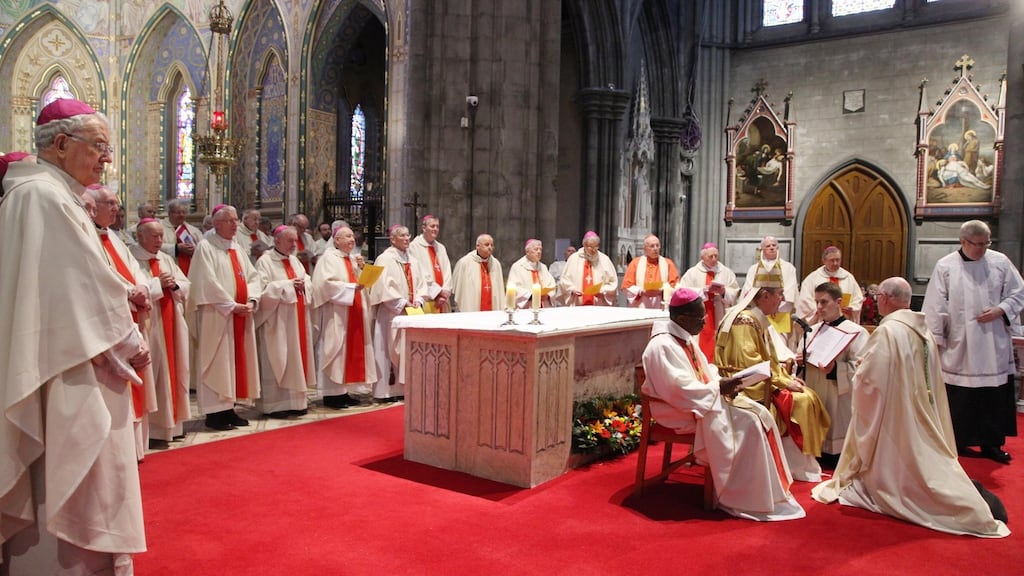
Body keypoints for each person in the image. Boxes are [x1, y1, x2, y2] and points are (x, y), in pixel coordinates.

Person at [0, 98, 148, 573]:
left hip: (72, 352)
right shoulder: (42, 195)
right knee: (70, 479)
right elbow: (77, 286)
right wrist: (128, 341)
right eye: (99, 146)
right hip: (63, 366)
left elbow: (78, 280)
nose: (107, 158)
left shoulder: (51, 193)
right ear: (61, 144)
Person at [812, 277, 1010, 538]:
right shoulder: (922, 330)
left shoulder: (888, 331)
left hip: (894, 417)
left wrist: (859, 371)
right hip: (918, 410)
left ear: (884, 298)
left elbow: (871, 384)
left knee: (902, 475)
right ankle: (966, 496)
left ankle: (963, 502)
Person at [641, 287, 804, 521]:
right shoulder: (661, 346)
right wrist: (719, 388)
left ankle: (765, 491)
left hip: (699, 401)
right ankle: (738, 494)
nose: (706, 320)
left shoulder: (684, 337)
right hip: (678, 410)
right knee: (749, 422)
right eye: (701, 317)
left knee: (759, 413)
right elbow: (678, 389)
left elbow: (703, 372)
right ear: (683, 318)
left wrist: (721, 381)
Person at [922, 220, 1024, 464]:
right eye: (977, 244)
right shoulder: (946, 266)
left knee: (993, 395)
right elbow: (935, 305)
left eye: (985, 243)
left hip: (992, 342)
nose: (982, 249)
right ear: (963, 241)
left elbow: (1018, 291)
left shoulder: (999, 262)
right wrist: (935, 340)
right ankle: (958, 441)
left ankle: (992, 444)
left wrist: (1001, 309)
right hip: (960, 343)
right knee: (960, 397)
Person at [715, 273, 831, 482]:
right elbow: (749, 363)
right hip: (746, 386)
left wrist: (786, 377)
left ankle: (796, 464)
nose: (782, 299)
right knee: (803, 401)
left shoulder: (755, 317)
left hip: (760, 378)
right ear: (765, 296)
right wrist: (784, 382)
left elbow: (769, 358)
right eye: (779, 294)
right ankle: (794, 466)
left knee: (806, 395)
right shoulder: (744, 321)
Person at [87, 184, 156, 461]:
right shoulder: (87, 236)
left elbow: (135, 271)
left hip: (133, 316)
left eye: (116, 204)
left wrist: (142, 289)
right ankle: (120, 448)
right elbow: (98, 277)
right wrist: (131, 292)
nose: (116, 209)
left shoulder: (115, 238)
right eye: (110, 204)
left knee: (136, 384)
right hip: (113, 321)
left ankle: (135, 448)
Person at [187, 204, 263, 431]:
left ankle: (229, 408)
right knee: (218, 362)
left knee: (234, 362)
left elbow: (252, 276)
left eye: (236, 220)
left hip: (239, 314)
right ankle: (214, 413)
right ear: (217, 222)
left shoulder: (236, 248)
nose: (235, 224)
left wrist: (251, 300)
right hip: (216, 315)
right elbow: (206, 283)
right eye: (230, 220)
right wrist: (231, 305)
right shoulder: (205, 247)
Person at [131, 218, 191, 448]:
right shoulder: (133, 258)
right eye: (154, 236)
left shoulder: (165, 258)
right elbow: (134, 288)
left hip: (171, 320)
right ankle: (155, 429)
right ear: (140, 237)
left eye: (161, 236)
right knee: (154, 373)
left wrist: (174, 284)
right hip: (149, 323)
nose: (160, 241)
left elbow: (186, 285)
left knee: (175, 370)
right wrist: (157, 284)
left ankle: (172, 427)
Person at [799, 282, 868, 464]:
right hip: (814, 390)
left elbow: (863, 368)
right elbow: (799, 364)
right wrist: (798, 362)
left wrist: (836, 369)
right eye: (817, 302)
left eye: (824, 302)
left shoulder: (856, 332)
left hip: (838, 396)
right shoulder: (811, 331)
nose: (819, 307)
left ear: (838, 302)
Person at [312, 225, 377, 409]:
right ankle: (332, 395)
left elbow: (361, 283)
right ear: (336, 240)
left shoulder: (352, 258)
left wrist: (363, 270)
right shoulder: (328, 258)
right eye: (347, 237)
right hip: (336, 313)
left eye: (352, 237)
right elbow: (324, 285)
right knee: (336, 350)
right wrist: (349, 288)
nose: (351, 240)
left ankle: (344, 392)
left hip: (354, 310)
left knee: (349, 351)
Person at [254, 225, 315, 418]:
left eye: (295, 240)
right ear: (277, 240)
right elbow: (262, 291)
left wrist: (305, 284)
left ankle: (296, 402)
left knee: (296, 359)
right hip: (276, 320)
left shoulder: (294, 260)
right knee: (277, 358)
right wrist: (288, 285)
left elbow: (307, 280)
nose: (293, 245)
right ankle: (274, 405)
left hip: (296, 319)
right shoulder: (265, 261)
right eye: (290, 240)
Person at [368, 225, 425, 402]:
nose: (407, 238)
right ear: (393, 239)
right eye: (403, 236)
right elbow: (382, 287)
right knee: (387, 349)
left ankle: (405, 388)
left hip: (410, 312)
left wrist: (419, 300)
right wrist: (401, 302)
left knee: (407, 350)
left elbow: (422, 283)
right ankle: (386, 391)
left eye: (408, 235)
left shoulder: (413, 260)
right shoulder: (384, 259)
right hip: (391, 313)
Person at [679, 242, 740, 360]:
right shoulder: (692, 273)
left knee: (718, 339)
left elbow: (735, 292)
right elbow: (683, 292)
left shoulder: (726, 272)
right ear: (702, 257)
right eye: (710, 256)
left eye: (716, 256)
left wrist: (723, 292)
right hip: (700, 312)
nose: (714, 259)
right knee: (701, 342)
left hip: (720, 312)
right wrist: (704, 291)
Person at [741, 236, 799, 334]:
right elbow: (749, 290)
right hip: (759, 312)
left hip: (780, 313)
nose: (772, 247)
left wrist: (776, 307)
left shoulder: (788, 268)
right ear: (762, 250)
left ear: (778, 248)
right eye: (768, 246)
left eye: (774, 245)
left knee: (780, 343)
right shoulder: (754, 269)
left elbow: (790, 290)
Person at [796, 246, 863, 324]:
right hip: (820, 321)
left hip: (843, 320)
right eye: (832, 260)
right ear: (824, 261)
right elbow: (805, 300)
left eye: (838, 260)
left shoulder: (848, 278)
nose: (835, 263)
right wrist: (820, 310)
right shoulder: (813, 278)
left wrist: (852, 308)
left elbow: (858, 299)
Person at [558, 231, 618, 306]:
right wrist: (572, 289)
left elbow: (613, 283)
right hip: (577, 305)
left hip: (598, 305)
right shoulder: (573, 259)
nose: (593, 250)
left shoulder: (604, 259)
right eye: (590, 247)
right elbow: (564, 280)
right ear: (584, 245)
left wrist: (603, 291)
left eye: (596, 246)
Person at [407, 215, 452, 313]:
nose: (435, 229)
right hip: (427, 298)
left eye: (437, 226)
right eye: (432, 226)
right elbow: (419, 273)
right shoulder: (414, 247)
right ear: (424, 228)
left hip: (442, 301)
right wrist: (438, 292)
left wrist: (445, 293)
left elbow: (447, 272)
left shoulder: (441, 247)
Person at [620, 234, 680, 309]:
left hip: (661, 303)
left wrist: (663, 291)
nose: (655, 249)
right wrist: (641, 291)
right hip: (641, 303)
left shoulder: (668, 263)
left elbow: (676, 286)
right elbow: (626, 287)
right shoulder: (635, 263)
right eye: (652, 246)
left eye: (657, 245)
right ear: (645, 249)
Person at [451, 233, 505, 312]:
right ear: (477, 246)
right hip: (471, 308)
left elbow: (499, 291)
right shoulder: (465, 263)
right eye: (486, 245)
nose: (490, 247)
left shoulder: (496, 264)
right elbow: (458, 288)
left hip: (492, 309)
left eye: (492, 245)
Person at [507, 239, 557, 308]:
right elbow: (514, 288)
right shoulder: (518, 266)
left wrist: (548, 294)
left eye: (540, 249)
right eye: (536, 249)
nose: (539, 252)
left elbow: (551, 285)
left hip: (544, 305)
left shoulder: (543, 267)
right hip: (527, 307)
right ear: (527, 251)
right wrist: (531, 295)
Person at [161, 197, 203, 276]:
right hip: (168, 269)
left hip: (190, 270)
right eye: (178, 212)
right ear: (169, 213)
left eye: (184, 212)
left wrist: (195, 250)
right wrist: (177, 248)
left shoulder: (193, 231)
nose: (181, 215)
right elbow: (154, 247)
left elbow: (202, 248)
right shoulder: (159, 227)